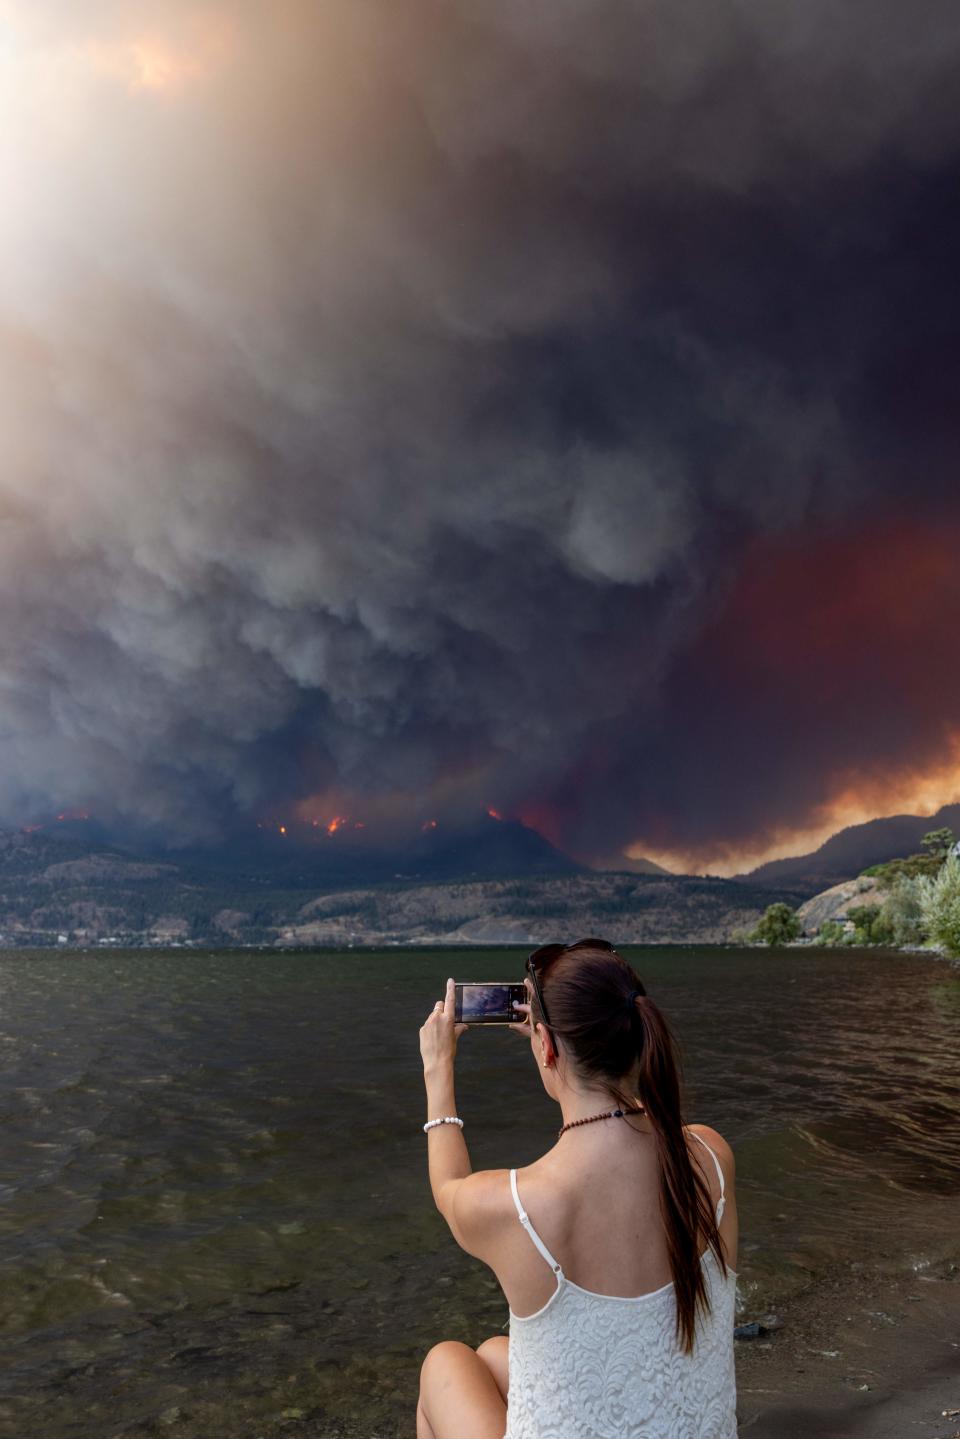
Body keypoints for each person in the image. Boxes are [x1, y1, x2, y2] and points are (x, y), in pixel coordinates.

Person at [417, 938, 738, 1439]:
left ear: (544, 1045)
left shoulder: (523, 1206)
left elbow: (448, 1187)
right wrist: (557, 1052)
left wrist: (439, 1067)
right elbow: (614, 1127)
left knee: (447, 1363)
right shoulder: (709, 1157)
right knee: (495, 1356)